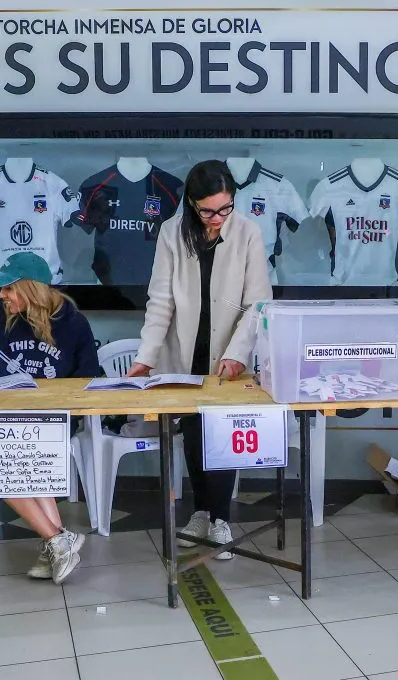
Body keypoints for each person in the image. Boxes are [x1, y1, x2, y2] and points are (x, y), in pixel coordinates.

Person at [127, 160, 271, 559]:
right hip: (185, 349)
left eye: (225, 208)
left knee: (223, 431)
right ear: (191, 203)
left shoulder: (248, 232)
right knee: (193, 432)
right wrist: (145, 357)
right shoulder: (171, 233)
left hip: (228, 349)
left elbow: (258, 303)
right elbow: (160, 300)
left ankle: (221, 519)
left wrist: (238, 353)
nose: (217, 218)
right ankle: (202, 512)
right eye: (208, 211)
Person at [0, 251, 100, 584]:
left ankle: (55, 541)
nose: (1, 295)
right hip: (10, 417)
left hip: (53, 419)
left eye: (9, 288)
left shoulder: (73, 324)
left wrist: (56, 401)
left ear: (31, 289)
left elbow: (87, 378)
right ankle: (57, 540)